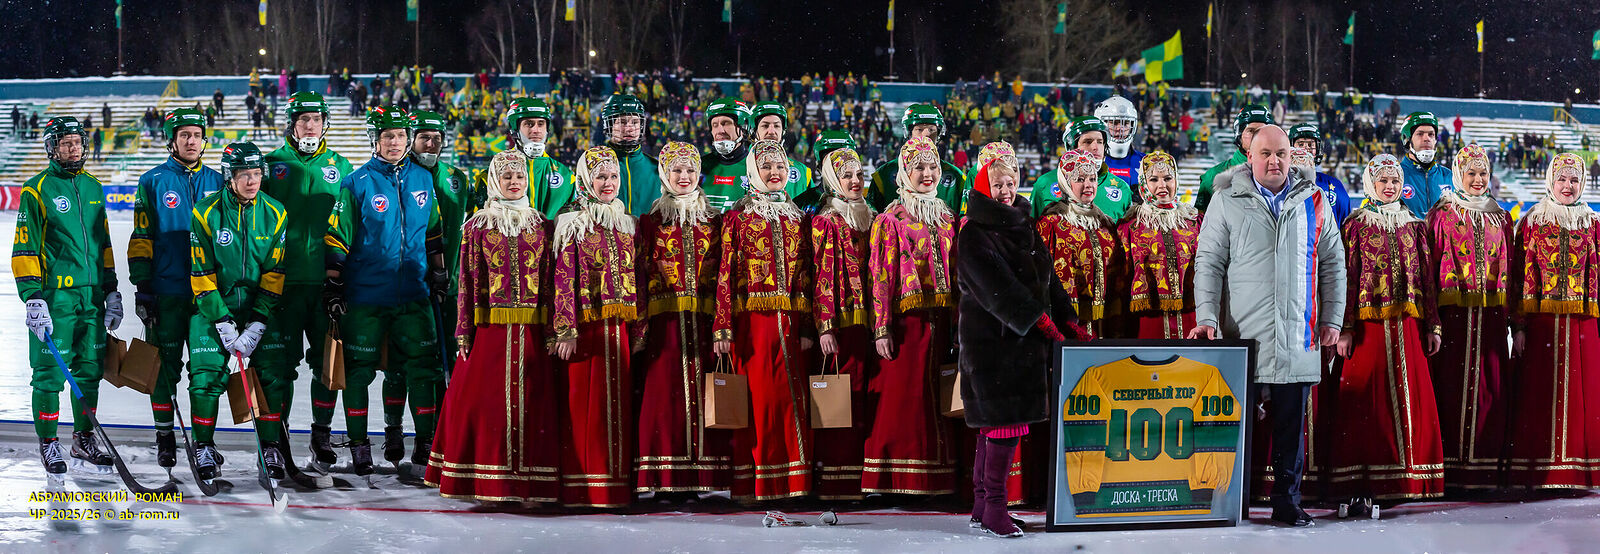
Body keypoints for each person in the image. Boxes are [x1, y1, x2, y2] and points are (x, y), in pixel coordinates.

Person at [1189, 125, 1346, 527]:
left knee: (1292, 429)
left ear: (1291, 157)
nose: (1274, 161)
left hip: (1298, 334)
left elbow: (1332, 263)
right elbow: (1208, 263)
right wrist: (1206, 317)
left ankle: (1287, 501)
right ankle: (1228, 499)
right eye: (1265, 154)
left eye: (1281, 154)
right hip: (1243, 336)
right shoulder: (1226, 200)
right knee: (1234, 424)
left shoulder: (1314, 200)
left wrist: (1332, 318)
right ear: (1250, 157)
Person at [425, 150, 562, 503]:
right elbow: (467, 281)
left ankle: (530, 481)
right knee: (483, 405)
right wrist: (463, 330)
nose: (514, 182)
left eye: (520, 176)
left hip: (532, 330)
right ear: (494, 182)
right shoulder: (478, 226)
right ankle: (484, 479)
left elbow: (550, 282)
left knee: (534, 406)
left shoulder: (542, 225)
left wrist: (553, 330)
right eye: (507, 177)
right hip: (490, 330)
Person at [322, 105, 448, 480]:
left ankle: (425, 445)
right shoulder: (356, 182)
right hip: (367, 296)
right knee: (358, 372)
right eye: (387, 136)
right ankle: (360, 446)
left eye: (400, 136)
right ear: (374, 140)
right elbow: (337, 238)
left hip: (414, 294)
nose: (395, 142)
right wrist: (333, 284)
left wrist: (439, 272)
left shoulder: (423, 178)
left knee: (422, 370)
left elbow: (433, 232)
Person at [956, 145, 1076, 538]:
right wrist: (1038, 319)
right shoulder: (974, 233)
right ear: (983, 188)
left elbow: (1047, 276)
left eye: (1011, 183)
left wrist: (1067, 318)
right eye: (998, 185)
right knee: (1001, 426)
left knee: (997, 427)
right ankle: (994, 508)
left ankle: (982, 507)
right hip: (993, 346)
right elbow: (997, 290)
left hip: (1022, 348)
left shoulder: (1022, 223)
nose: (1006, 191)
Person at [1330, 154, 1445, 513]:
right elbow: (1347, 278)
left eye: (1395, 181)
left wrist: (1432, 324)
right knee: (1367, 401)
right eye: (1383, 181)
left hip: (1408, 326)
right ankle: (1363, 479)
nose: (1390, 186)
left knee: (1412, 400)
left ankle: (1409, 478)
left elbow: (1427, 279)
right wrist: (1346, 328)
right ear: (1371, 184)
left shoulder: (1415, 225)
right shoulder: (1356, 225)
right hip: (1369, 329)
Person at [12, 116, 122, 478]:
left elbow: (104, 243)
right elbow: (24, 248)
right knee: (48, 374)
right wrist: (32, 297)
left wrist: (111, 290)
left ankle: (82, 440)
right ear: (52, 148)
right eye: (65, 143)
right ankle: (48, 442)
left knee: (89, 371)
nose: (73, 149)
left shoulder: (93, 187)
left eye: (77, 142)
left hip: (91, 297)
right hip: (55, 298)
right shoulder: (36, 189)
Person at [711, 139, 815, 501]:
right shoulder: (738, 217)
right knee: (760, 402)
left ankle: (793, 483)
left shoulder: (797, 218)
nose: (774, 173)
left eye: (780, 167)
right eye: (766, 167)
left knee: (792, 401)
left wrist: (806, 326)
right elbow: (725, 274)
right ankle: (757, 483)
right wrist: (722, 328)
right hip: (752, 326)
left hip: (791, 324)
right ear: (753, 172)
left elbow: (805, 277)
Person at [258, 91, 354, 472]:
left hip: (324, 286)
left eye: (316, 119)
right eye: (303, 120)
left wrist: (342, 279)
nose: (310, 126)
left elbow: (348, 228)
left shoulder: (341, 167)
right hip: (281, 286)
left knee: (327, 365)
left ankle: (321, 435)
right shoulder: (270, 166)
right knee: (278, 368)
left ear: (325, 124)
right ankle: (274, 442)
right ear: (292, 125)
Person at [186, 142, 289, 481]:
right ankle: (203, 446)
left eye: (257, 174)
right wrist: (221, 320)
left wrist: (258, 322)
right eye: (245, 174)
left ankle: (269, 447)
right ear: (229, 177)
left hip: (260, 309)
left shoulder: (276, 213)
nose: (252, 181)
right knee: (205, 378)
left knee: (272, 376)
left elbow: (274, 272)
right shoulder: (205, 212)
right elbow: (201, 272)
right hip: (213, 308)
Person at [128, 107, 223, 473]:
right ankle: (165, 437)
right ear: (171, 140)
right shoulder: (152, 181)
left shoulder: (219, 180)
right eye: (184, 135)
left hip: (207, 296)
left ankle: (204, 444)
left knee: (206, 372)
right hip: (166, 293)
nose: (191, 141)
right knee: (163, 371)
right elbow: (141, 236)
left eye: (197, 135)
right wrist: (143, 287)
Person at [634, 141, 731, 498]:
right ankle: (666, 477)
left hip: (705, 323)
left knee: (706, 397)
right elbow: (639, 276)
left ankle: (704, 476)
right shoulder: (651, 221)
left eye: (690, 170)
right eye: (676, 170)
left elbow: (725, 274)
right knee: (665, 399)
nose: (684, 176)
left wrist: (723, 325)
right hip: (665, 325)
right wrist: (640, 328)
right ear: (664, 174)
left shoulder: (714, 220)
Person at [863, 136, 959, 497]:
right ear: (904, 172)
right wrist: (882, 328)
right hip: (907, 325)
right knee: (903, 399)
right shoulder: (891, 218)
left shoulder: (946, 217)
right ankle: (894, 480)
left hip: (942, 322)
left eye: (933, 166)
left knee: (937, 398)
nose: (928, 173)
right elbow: (880, 275)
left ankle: (936, 478)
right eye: (919, 167)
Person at [550, 146, 641, 508]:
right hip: (585, 331)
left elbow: (638, 278)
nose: (608, 183)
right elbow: (562, 277)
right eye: (600, 176)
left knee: (616, 408)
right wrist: (565, 328)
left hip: (619, 331)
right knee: (584, 408)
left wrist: (639, 330)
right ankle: (583, 488)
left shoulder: (626, 222)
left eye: (613, 176)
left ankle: (615, 487)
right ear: (586, 180)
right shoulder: (571, 222)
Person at [1505, 153, 1600, 491]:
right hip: (1540, 323)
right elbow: (1518, 277)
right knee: (1539, 395)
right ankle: (1537, 472)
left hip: (1582, 324)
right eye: (1562, 179)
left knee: (1583, 398)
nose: (1567, 186)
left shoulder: (1593, 223)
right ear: (1551, 181)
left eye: (1574, 180)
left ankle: (1578, 472)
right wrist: (1518, 326)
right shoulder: (1533, 220)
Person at [1423, 143, 1513, 492]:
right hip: (1453, 320)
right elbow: (1429, 272)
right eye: (1471, 173)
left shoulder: (1500, 217)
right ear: (1458, 174)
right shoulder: (1441, 214)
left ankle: (1484, 470)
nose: (1478, 180)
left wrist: (1515, 322)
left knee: (1490, 388)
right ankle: (1449, 468)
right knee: (1450, 387)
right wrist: (1432, 320)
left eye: (1483, 173)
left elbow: (1512, 270)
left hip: (1490, 318)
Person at [809, 144, 875, 501]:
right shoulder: (826, 219)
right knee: (840, 401)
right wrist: (825, 326)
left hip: (867, 322)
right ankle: (836, 481)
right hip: (842, 322)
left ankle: (859, 479)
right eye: (846, 175)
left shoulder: (869, 215)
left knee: (862, 399)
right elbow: (821, 274)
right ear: (833, 180)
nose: (855, 181)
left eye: (859, 174)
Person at [1037, 149, 1122, 338]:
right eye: (1080, 179)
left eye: (1092, 179)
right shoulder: (1051, 223)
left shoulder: (1105, 223)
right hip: (1068, 324)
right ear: (1066, 183)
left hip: (1106, 323)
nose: (1088, 185)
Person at [1118, 151, 1202, 338]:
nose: (1162, 185)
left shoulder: (1194, 221)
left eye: (1168, 178)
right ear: (1143, 184)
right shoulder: (1130, 226)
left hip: (1192, 320)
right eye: (1154, 179)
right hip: (1148, 321)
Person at [868, 104, 970, 215]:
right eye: (919, 129)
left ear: (939, 135)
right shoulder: (883, 175)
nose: (926, 135)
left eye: (931, 130)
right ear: (908, 133)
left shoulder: (957, 177)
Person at [1027, 116, 1135, 222]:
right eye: (1087, 142)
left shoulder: (1122, 189)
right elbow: (1030, 229)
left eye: (1100, 142)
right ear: (1071, 146)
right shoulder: (1044, 184)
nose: (1096, 147)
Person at [488, 98, 575, 218]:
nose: (536, 130)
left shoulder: (566, 176)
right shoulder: (494, 173)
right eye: (529, 124)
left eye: (541, 124)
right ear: (515, 129)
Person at [1196, 104, 1273, 212]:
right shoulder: (1212, 177)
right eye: (1251, 131)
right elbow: (1201, 220)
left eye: (1262, 131)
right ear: (1239, 135)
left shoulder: (1284, 176)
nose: (1257, 136)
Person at [599, 94, 661, 215]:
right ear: (609, 126)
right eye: (622, 122)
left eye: (635, 122)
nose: (629, 128)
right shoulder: (593, 167)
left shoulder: (658, 170)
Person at [749, 101, 815, 201]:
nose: (771, 132)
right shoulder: (736, 168)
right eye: (765, 126)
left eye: (776, 126)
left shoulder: (802, 171)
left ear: (783, 131)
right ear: (753, 131)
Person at [1288, 123, 1352, 223]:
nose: (1305, 149)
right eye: (1300, 144)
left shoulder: (1333, 185)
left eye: (1310, 145)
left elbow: (1345, 224)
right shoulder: (1280, 184)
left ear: (1317, 149)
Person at [699, 97, 754, 211]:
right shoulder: (699, 166)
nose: (720, 131)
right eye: (715, 125)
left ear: (743, 127)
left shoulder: (757, 168)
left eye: (726, 123)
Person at [1399, 112, 1452, 220]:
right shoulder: (1395, 175)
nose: (1426, 138)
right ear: (1407, 139)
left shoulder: (1449, 176)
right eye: (1420, 134)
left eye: (1431, 134)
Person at [1095, 95, 1146, 196]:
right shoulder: (1090, 163)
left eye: (1126, 123)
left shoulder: (1145, 163)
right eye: (1114, 123)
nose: (1120, 128)